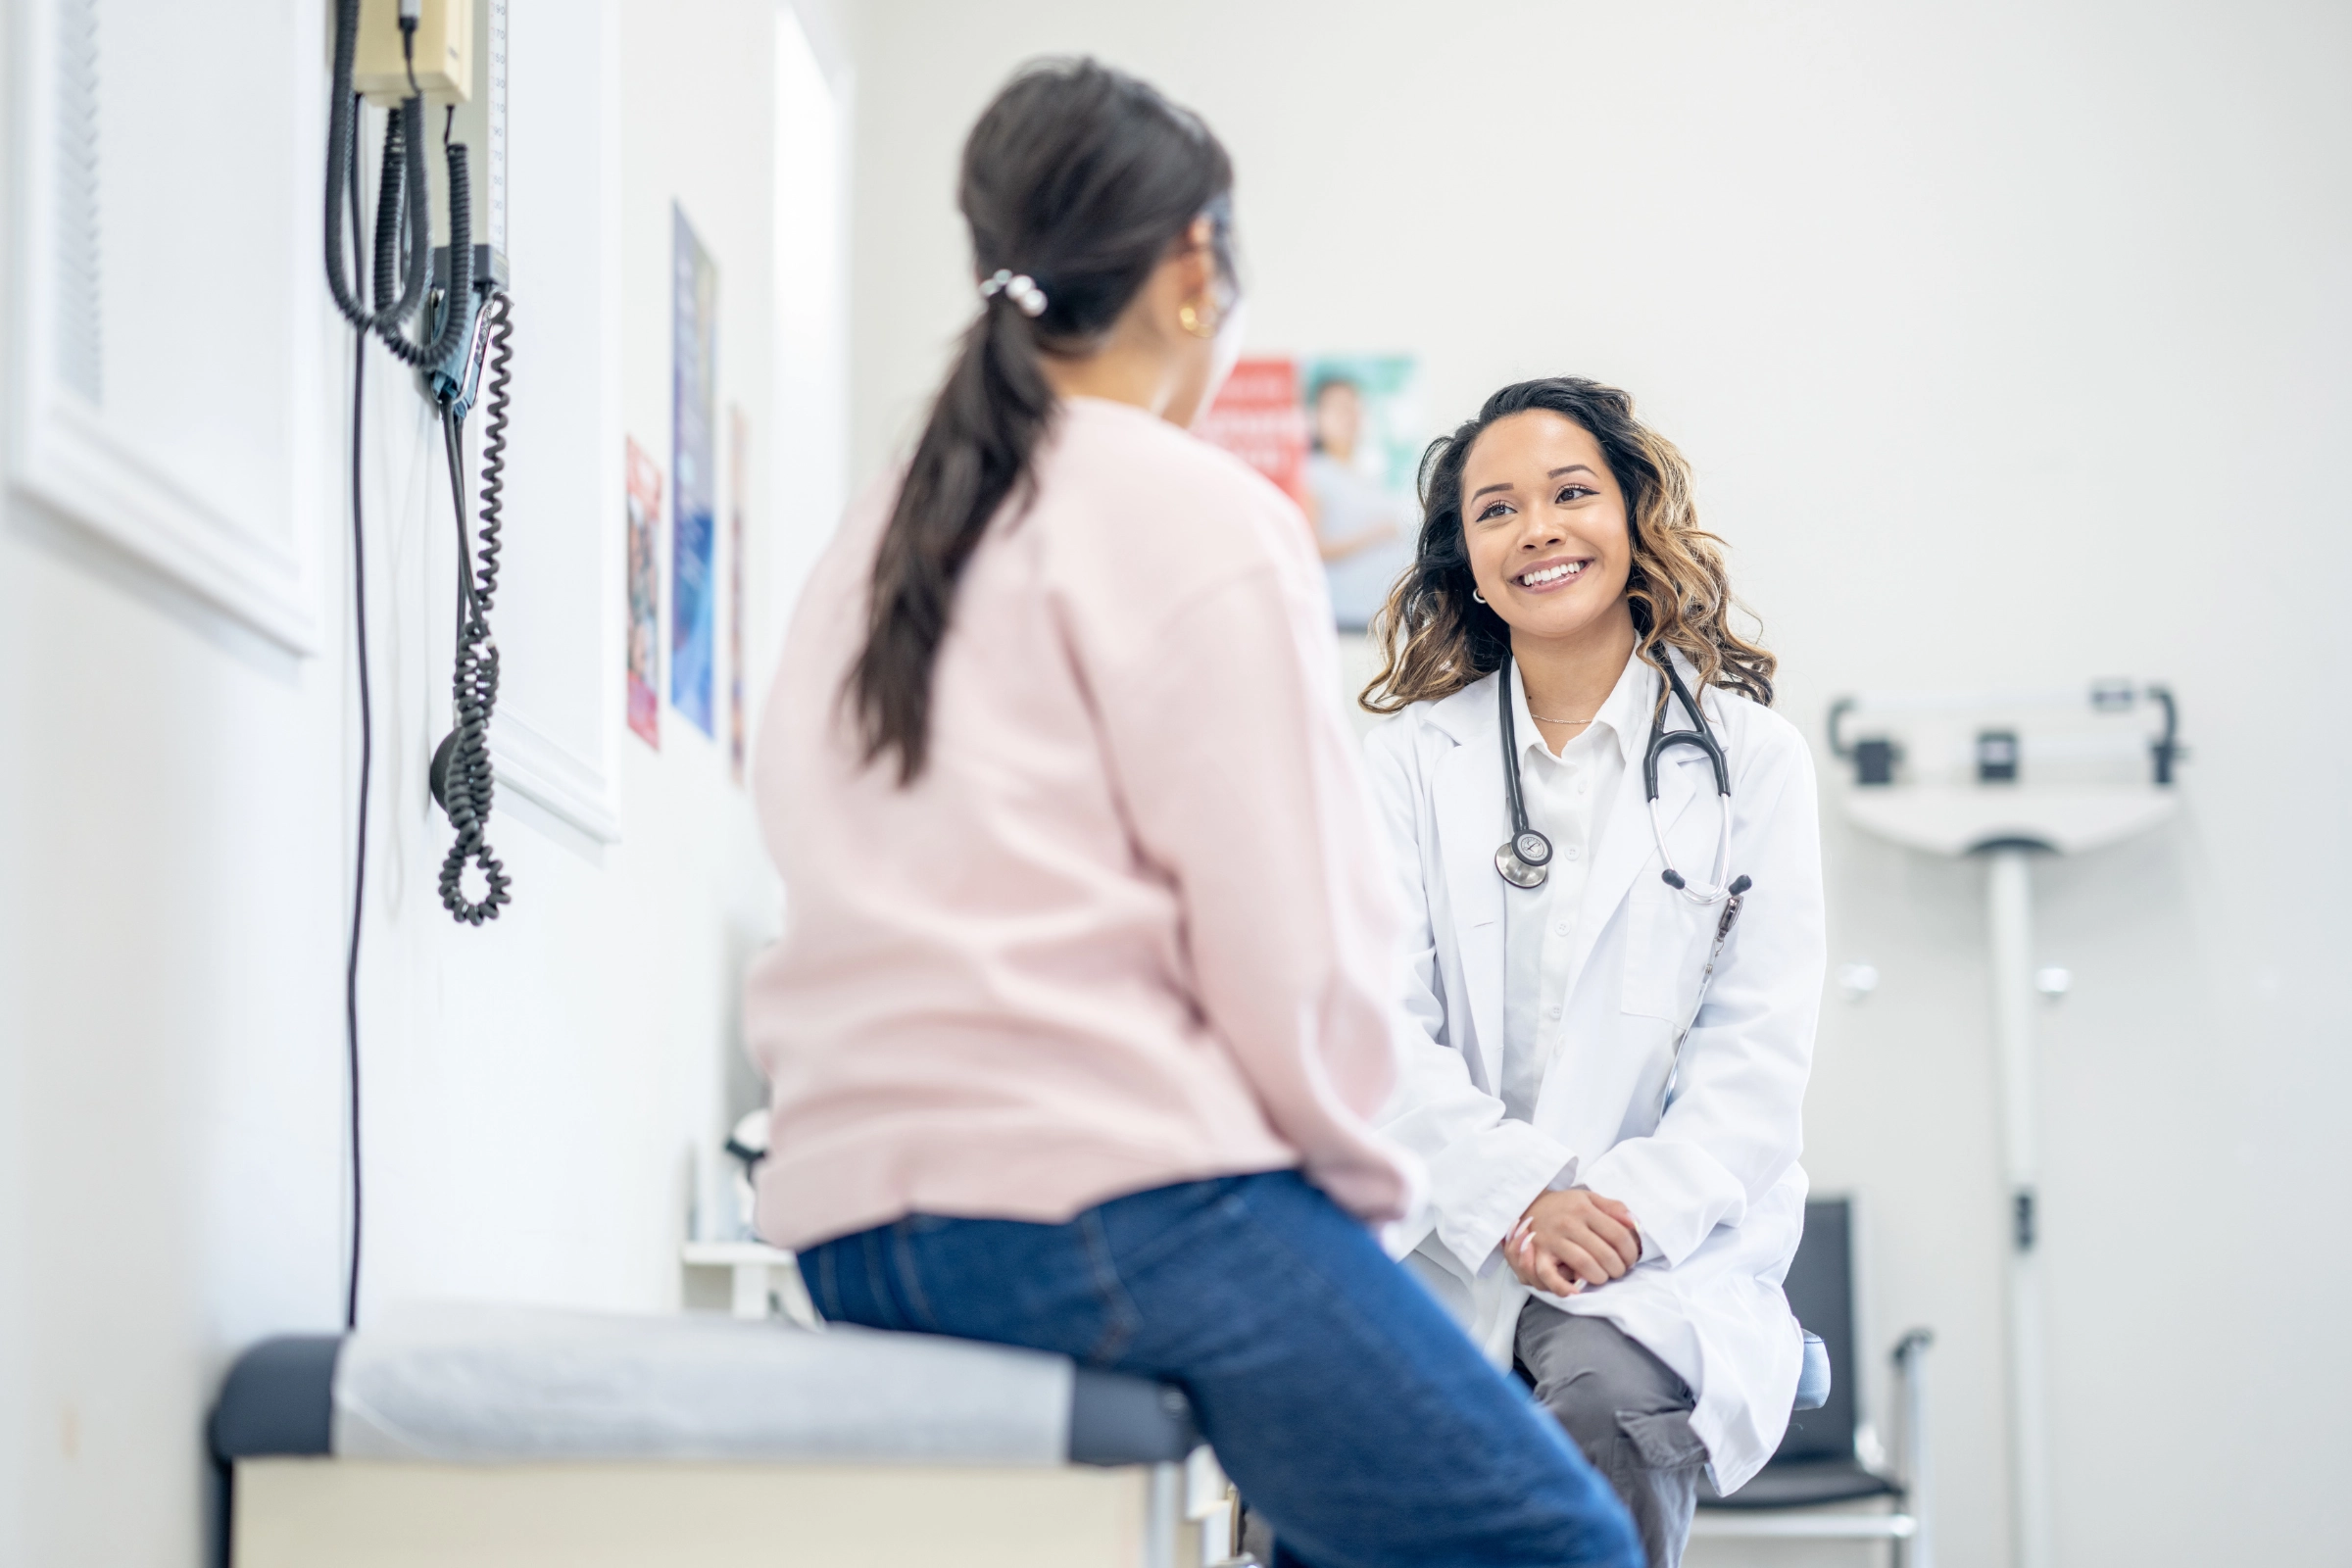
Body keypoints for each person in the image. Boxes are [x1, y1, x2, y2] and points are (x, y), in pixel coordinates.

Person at [742, 62, 1641, 1568]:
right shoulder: (1198, 513)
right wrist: (1358, 1215)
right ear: (1194, 269)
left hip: (847, 1228)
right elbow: (1293, 961)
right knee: (1564, 1544)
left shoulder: (881, 527)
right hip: (1106, 1210)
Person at [1357, 378, 1824, 1568]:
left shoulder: (1750, 764)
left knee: (1603, 1411)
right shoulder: (1405, 765)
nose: (1540, 530)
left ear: (1635, 517)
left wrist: (1607, 1220)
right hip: (1444, 1229)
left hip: (1657, 1251)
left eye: (1573, 493)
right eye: (1497, 509)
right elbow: (1371, 1029)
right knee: (1343, 1442)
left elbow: (1754, 1059)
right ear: (1465, 557)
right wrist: (1516, 1198)